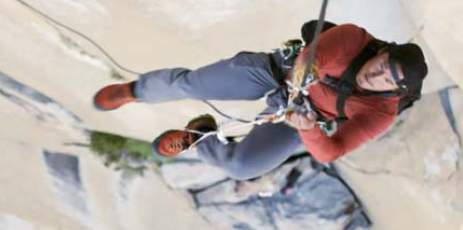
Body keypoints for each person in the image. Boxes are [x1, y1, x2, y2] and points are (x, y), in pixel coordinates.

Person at [92, 23, 428, 181]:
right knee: (192, 84)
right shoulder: (355, 38)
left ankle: (202, 135)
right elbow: (313, 58)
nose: (377, 76)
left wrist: (308, 129)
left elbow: (332, 152)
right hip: (274, 72)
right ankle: (136, 91)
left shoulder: (381, 112)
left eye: (388, 80)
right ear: (382, 51)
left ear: (396, 91)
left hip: (300, 117)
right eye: (382, 66)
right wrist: (306, 72)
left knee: (241, 168)